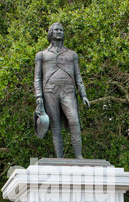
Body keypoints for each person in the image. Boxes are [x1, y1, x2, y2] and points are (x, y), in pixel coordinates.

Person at [34, 22, 90, 159]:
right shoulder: (42, 55)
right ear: (51, 33)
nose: (59, 32)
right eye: (56, 30)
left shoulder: (72, 54)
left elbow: (78, 76)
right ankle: (59, 158)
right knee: (55, 125)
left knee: (74, 121)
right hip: (49, 91)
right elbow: (37, 77)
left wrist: (83, 94)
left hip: (68, 91)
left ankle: (79, 156)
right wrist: (38, 95)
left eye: (61, 30)